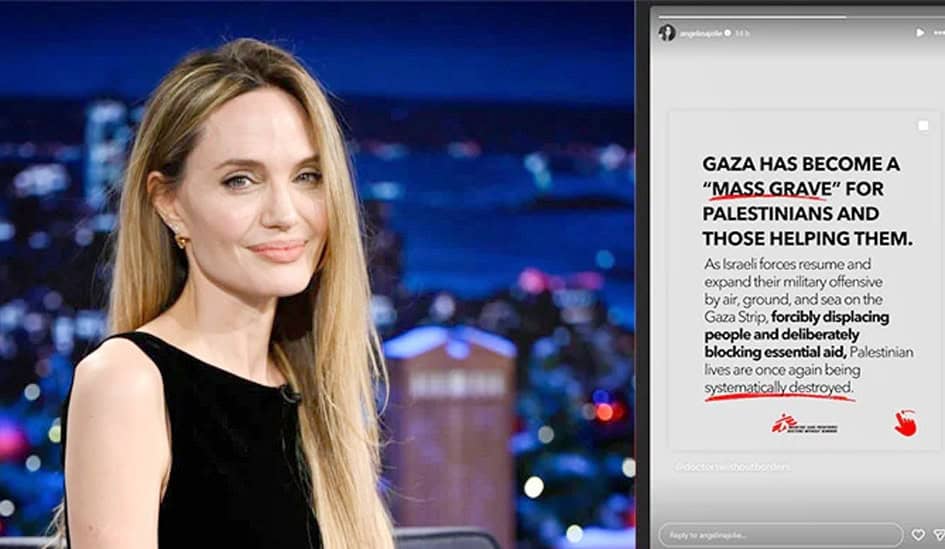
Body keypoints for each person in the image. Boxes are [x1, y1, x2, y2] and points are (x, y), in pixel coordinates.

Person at [42, 38, 396, 549]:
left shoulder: (317, 391)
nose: (284, 213)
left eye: (307, 176)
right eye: (241, 180)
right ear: (170, 204)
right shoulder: (127, 383)